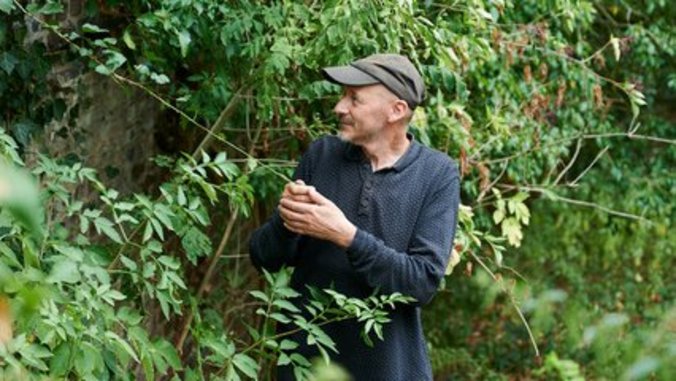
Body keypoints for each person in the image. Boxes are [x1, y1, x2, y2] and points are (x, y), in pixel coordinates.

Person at [249, 54, 460, 380]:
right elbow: (264, 256)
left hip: (390, 369)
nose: (339, 107)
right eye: (342, 95)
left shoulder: (437, 174)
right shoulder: (321, 154)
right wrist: (286, 221)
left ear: (397, 110)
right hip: (306, 366)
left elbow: (421, 283)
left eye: (354, 98)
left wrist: (347, 236)